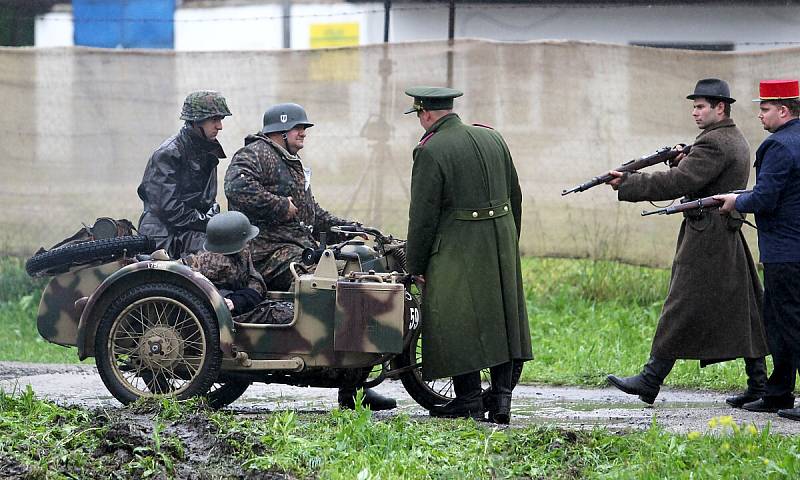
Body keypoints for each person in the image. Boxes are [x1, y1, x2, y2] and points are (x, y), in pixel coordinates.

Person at [605, 78, 768, 406]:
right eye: (694, 106)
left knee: (681, 304)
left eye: (701, 106)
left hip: (706, 234)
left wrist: (631, 182)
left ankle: (651, 378)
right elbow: (698, 176)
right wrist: (682, 160)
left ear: (719, 108)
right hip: (723, 231)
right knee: (745, 307)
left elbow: (679, 181)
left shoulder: (715, 143)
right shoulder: (728, 138)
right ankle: (759, 384)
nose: (695, 112)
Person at [224, 102, 396, 411]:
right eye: (298, 128)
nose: (304, 132)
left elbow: (312, 213)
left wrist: (350, 228)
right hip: (266, 251)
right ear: (279, 130)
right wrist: (279, 206)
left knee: (355, 275)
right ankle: (321, 364)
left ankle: (353, 387)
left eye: (305, 128)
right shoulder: (256, 154)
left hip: (292, 246)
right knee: (330, 285)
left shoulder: (291, 161)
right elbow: (236, 187)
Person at [403, 86, 533, 423]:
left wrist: (415, 265)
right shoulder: (492, 137)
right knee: (501, 317)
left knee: (455, 318)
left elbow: (423, 216)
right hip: (500, 241)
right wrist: (507, 241)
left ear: (426, 113)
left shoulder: (430, 150)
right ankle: (502, 399)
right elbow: (515, 196)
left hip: (458, 244)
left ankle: (470, 399)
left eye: (419, 116)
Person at [716, 79, 800, 419]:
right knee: (778, 322)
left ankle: (779, 393)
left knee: (790, 322)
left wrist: (736, 199)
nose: (760, 115)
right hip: (792, 249)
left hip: (786, 250)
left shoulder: (778, 146)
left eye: (765, 109)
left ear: (783, 110)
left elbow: (765, 198)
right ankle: (777, 392)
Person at [137, 90, 232, 259]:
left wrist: (213, 217)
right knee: (221, 255)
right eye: (214, 120)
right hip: (165, 236)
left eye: (221, 120)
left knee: (238, 246)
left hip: (190, 230)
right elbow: (168, 208)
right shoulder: (169, 154)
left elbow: (207, 200)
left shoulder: (207, 150)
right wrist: (207, 222)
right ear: (196, 121)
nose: (220, 126)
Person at [182, 211, 265, 316]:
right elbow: (188, 292)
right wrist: (224, 297)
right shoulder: (201, 262)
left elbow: (255, 280)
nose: (248, 243)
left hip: (241, 305)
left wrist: (241, 299)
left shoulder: (243, 253)